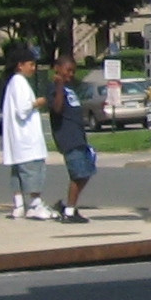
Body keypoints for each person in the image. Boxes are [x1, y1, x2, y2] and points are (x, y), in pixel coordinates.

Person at [0, 45, 49, 219]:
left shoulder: (13, 82)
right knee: (33, 171)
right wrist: (39, 102)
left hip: (18, 140)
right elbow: (22, 109)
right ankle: (35, 204)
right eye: (31, 64)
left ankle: (19, 205)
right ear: (20, 65)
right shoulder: (19, 82)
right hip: (26, 139)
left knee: (18, 173)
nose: (33, 68)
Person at [44, 57, 95, 223]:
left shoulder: (70, 88)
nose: (71, 74)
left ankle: (67, 205)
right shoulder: (54, 88)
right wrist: (59, 86)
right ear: (57, 68)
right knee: (78, 174)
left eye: (73, 71)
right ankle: (69, 212)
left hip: (79, 137)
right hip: (68, 138)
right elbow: (57, 109)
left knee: (87, 172)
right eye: (68, 70)